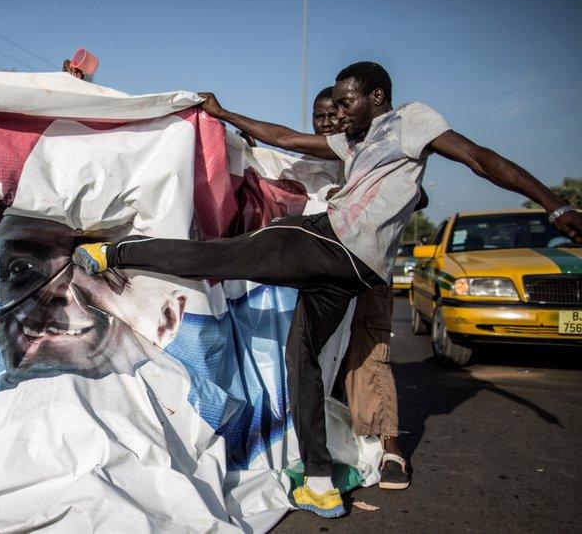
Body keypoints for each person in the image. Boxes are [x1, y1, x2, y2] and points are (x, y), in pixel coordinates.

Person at [73, 61, 582, 518]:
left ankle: (112, 254)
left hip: (332, 242)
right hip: (353, 272)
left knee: (220, 256)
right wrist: (226, 115)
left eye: (345, 101)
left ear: (376, 96)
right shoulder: (353, 143)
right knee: (304, 357)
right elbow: (288, 140)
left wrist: (553, 205)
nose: (337, 113)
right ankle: (319, 481)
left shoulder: (410, 120)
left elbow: (480, 158)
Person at [309, 86, 410, 490]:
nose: (330, 122)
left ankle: (391, 447)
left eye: (337, 114)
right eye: (322, 116)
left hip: (366, 270)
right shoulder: (306, 158)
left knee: (366, 353)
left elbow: (413, 196)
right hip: (319, 273)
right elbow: (275, 142)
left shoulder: (373, 153)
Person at [0, 214, 187, 388]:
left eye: (99, 270)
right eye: (21, 268)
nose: (51, 293)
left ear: (167, 318)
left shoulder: (198, 420)